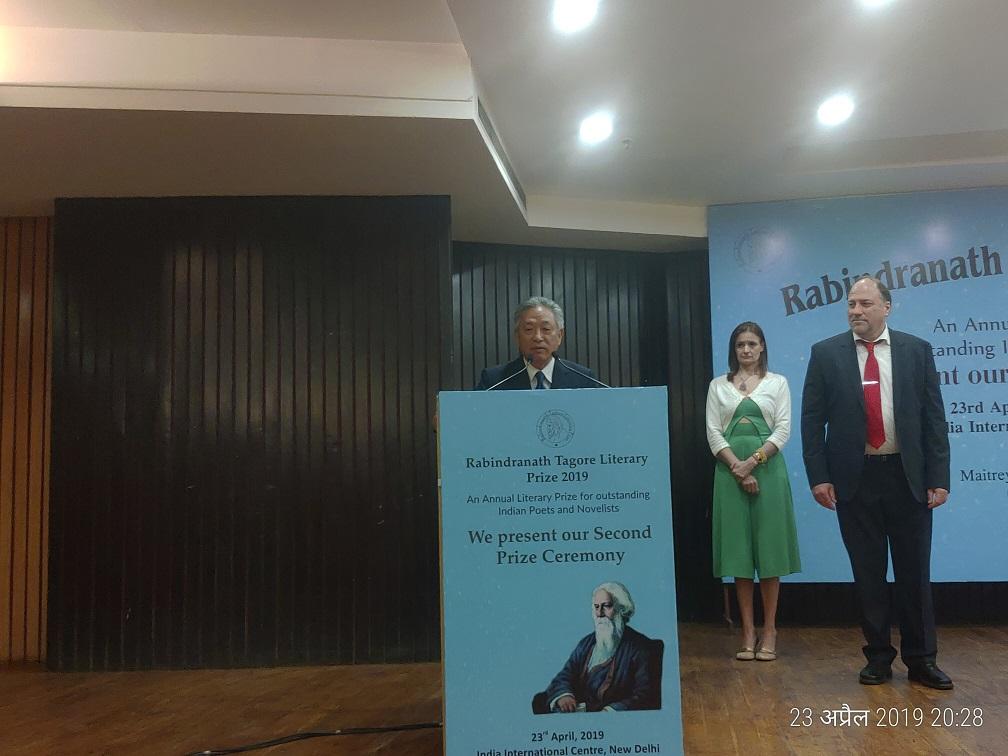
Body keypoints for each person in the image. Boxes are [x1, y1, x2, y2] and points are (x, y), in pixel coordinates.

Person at [801, 276, 952, 689]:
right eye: (851, 304)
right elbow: (812, 421)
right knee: (868, 574)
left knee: (914, 574)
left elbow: (933, 419)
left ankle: (922, 660)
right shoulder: (826, 353)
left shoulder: (916, 351)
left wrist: (938, 477)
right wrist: (819, 476)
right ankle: (878, 658)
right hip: (855, 479)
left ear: (887, 307)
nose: (856, 311)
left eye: (865, 304)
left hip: (908, 477)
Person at [705, 321, 801, 662]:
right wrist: (737, 467)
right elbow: (714, 433)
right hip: (729, 475)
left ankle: (770, 630)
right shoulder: (718, 386)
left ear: (762, 347)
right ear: (734, 349)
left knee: (769, 554)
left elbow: (784, 429)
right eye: (740, 345)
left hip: (768, 474)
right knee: (739, 556)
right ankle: (747, 632)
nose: (746, 350)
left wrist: (754, 462)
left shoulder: (778, 383)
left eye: (752, 344)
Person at [536, 582, 660, 713]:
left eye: (606, 606)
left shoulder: (641, 647)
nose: (599, 613)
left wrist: (609, 711)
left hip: (610, 718)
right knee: (540, 701)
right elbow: (566, 674)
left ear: (622, 609)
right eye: (596, 607)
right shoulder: (587, 643)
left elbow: (644, 695)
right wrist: (564, 695)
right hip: (578, 711)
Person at [475, 296, 599, 390]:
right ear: (517, 336)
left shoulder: (583, 379)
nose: (538, 337)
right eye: (529, 330)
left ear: (559, 336)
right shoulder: (494, 380)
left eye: (545, 329)